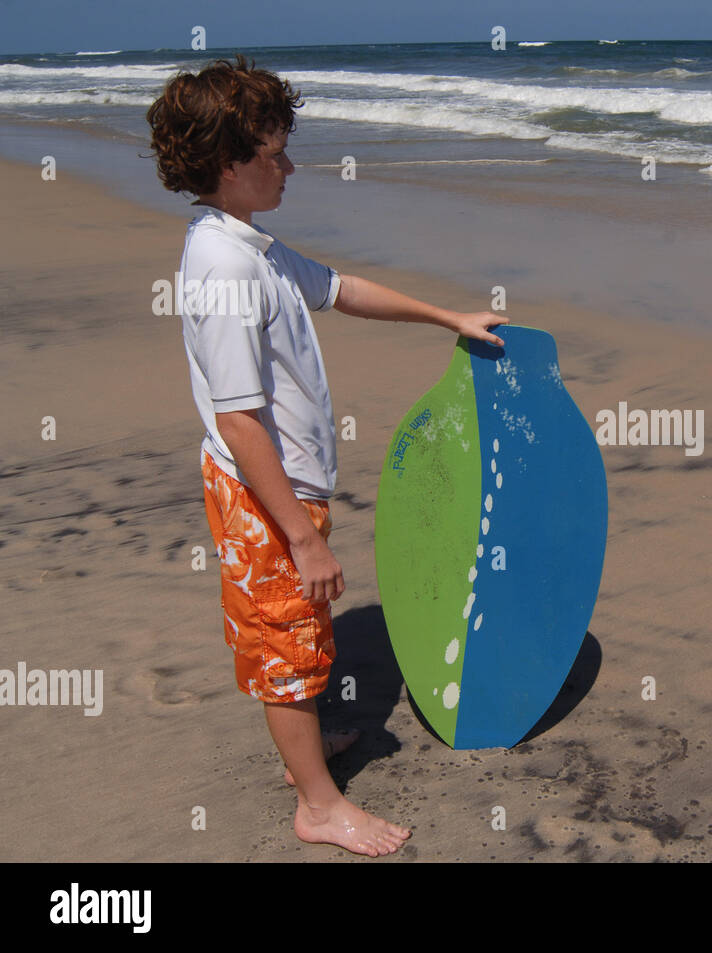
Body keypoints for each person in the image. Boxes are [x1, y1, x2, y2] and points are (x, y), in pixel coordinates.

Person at [147, 55, 506, 857]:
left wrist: (446, 315)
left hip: (283, 485)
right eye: (275, 152)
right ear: (229, 161)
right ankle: (317, 804)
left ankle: (305, 750)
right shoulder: (225, 268)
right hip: (262, 492)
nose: (291, 165)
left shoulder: (252, 246)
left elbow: (339, 287)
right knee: (285, 648)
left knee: (299, 634)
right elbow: (241, 423)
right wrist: (303, 537)